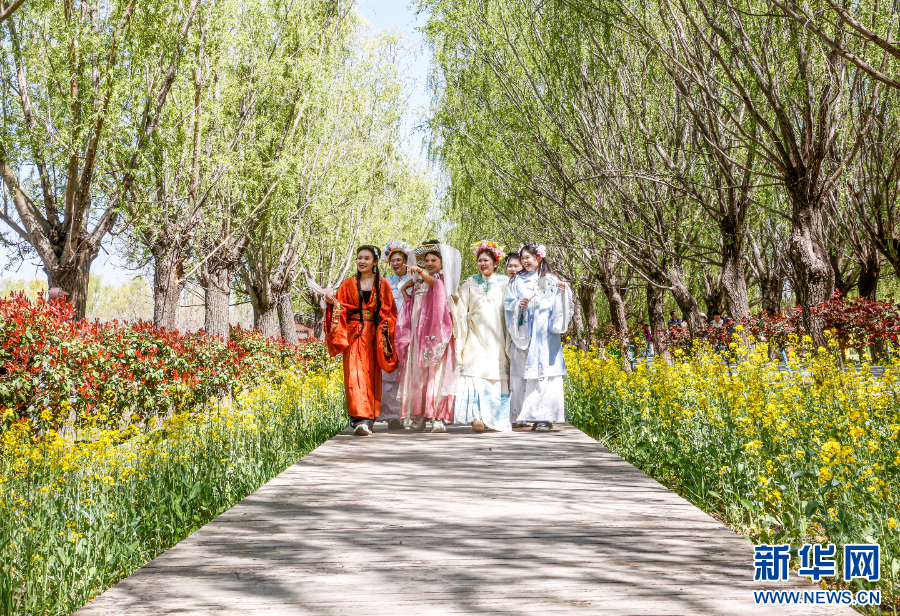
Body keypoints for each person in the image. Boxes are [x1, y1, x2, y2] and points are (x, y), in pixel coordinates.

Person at [325, 245, 399, 436]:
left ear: (375, 262)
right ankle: (359, 420)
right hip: (353, 335)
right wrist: (332, 304)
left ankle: (370, 418)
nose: (362, 261)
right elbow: (339, 308)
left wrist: (385, 326)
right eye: (359, 258)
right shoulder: (348, 284)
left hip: (373, 336)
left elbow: (390, 312)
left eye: (366, 258)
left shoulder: (382, 284)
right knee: (354, 376)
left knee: (371, 375)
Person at [504, 243, 573, 432]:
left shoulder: (550, 279)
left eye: (528, 257)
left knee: (547, 374)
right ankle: (521, 415)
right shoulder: (517, 281)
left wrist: (563, 292)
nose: (525, 261)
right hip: (526, 332)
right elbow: (508, 304)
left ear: (539, 258)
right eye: (523, 258)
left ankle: (544, 418)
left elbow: (565, 304)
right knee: (524, 373)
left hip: (546, 334)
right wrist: (518, 304)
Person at [396, 240, 461, 433]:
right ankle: (419, 416)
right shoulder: (419, 284)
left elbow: (437, 287)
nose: (429, 263)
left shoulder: (440, 281)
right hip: (418, 337)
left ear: (442, 263)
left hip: (436, 336)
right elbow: (410, 309)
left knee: (437, 375)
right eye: (426, 261)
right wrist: (405, 290)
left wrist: (420, 272)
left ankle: (438, 417)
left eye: (434, 260)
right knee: (419, 376)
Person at [452, 240, 511, 433]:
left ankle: (493, 418)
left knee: (495, 375)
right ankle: (476, 417)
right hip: (475, 338)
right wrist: (452, 302)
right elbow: (460, 310)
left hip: (497, 338)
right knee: (475, 374)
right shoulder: (470, 282)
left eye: (487, 260)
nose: (482, 264)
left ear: (496, 263)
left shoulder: (505, 283)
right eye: (480, 260)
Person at [379, 241, 411, 430]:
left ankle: (410, 412)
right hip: (389, 329)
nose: (396, 263)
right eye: (393, 261)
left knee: (407, 370)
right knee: (389, 370)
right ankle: (391, 414)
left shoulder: (415, 279)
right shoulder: (385, 281)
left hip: (409, 327)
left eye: (399, 260)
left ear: (406, 261)